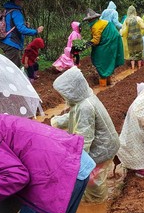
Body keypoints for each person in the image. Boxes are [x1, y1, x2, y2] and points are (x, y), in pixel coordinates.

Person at [51, 67, 120, 202]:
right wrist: (56, 122)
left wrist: (77, 162)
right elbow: (72, 115)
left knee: (92, 180)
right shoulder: (84, 98)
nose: (63, 96)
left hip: (102, 148)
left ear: (71, 90)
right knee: (94, 177)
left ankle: (97, 204)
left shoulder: (85, 107)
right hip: (105, 143)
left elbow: (84, 138)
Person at [83, 9, 125, 87]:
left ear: (93, 19)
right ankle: (108, 82)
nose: (89, 22)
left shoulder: (96, 26)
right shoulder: (101, 22)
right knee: (107, 60)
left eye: (90, 20)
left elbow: (96, 41)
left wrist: (86, 45)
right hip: (113, 40)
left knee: (101, 60)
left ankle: (103, 86)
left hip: (110, 41)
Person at [0, 0, 44, 68]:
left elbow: (11, 25)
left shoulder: (7, 10)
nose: (22, 1)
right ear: (16, 0)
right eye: (21, 0)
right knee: (13, 68)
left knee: (10, 65)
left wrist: (24, 26)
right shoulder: (16, 12)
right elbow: (21, 30)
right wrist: (36, 31)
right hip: (12, 43)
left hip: (5, 41)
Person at [120, 5, 144, 70]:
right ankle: (139, 67)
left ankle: (132, 67)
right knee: (139, 52)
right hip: (138, 38)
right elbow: (143, 27)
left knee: (132, 53)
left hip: (130, 39)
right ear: (135, 11)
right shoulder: (138, 18)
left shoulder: (126, 20)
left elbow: (124, 31)